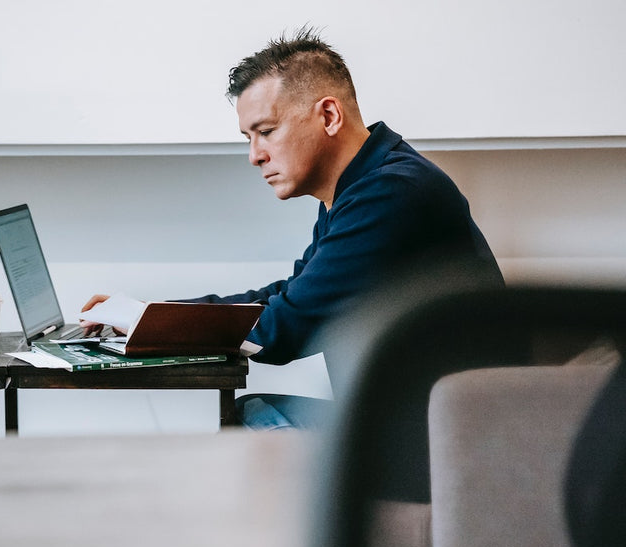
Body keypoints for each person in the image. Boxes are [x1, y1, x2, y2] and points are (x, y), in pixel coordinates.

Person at [81, 27, 503, 430]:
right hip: (416, 424)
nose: (254, 155)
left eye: (265, 132)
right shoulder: (361, 185)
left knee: (250, 427)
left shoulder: (391, 193)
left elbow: (283, 331)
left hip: (443, 445)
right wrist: (147, 313)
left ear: (329, 115)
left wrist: (146, 320)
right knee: (251, 414)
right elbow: (286, 297)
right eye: (249, 137)